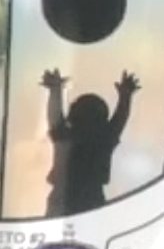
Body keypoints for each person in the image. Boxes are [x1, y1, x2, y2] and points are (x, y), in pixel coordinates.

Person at [42, 69, 138, 216]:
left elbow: (54, 117)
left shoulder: (68, 135)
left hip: (67, 199)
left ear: (73, 114)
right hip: (89, 199)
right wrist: (126, 95)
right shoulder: (103, 138)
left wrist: (55, 90)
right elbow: (120, 118)